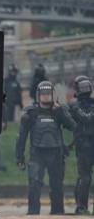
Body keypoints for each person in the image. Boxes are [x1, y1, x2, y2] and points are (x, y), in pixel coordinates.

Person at [16, 81, 76, 215]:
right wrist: (19, 156)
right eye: (43, 94)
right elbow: (22, 136)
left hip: (56, 153)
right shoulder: (31, 113)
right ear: (38, 95)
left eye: (48, 94)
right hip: (37, 154)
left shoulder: (59, 110)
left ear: (52, 95)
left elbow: (73, 127)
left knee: (57, 186)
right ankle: (33, 213)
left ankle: (58, 212)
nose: (45, 96)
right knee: (34, 185)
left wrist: (60, 111)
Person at [68, 75, 94, 214]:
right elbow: (86, 119)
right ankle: (81, 207)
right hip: (84, 145)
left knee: (83, 177)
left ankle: (80, 206)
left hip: (89, 143)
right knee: (85, 177)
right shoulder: (74, 104)